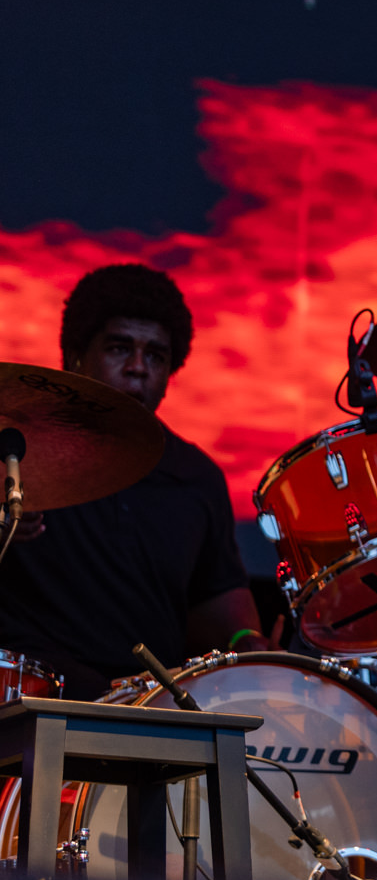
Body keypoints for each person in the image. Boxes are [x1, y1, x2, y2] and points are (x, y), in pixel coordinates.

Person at [0, 263, 269, 701]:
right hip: (31, 702)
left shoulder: (195, 477)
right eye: (120, 348)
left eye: (156, 356)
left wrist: (246, 641)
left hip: (153, 704)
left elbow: (217, 601)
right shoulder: (13, 451)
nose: (139, 368)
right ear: (75, 356)